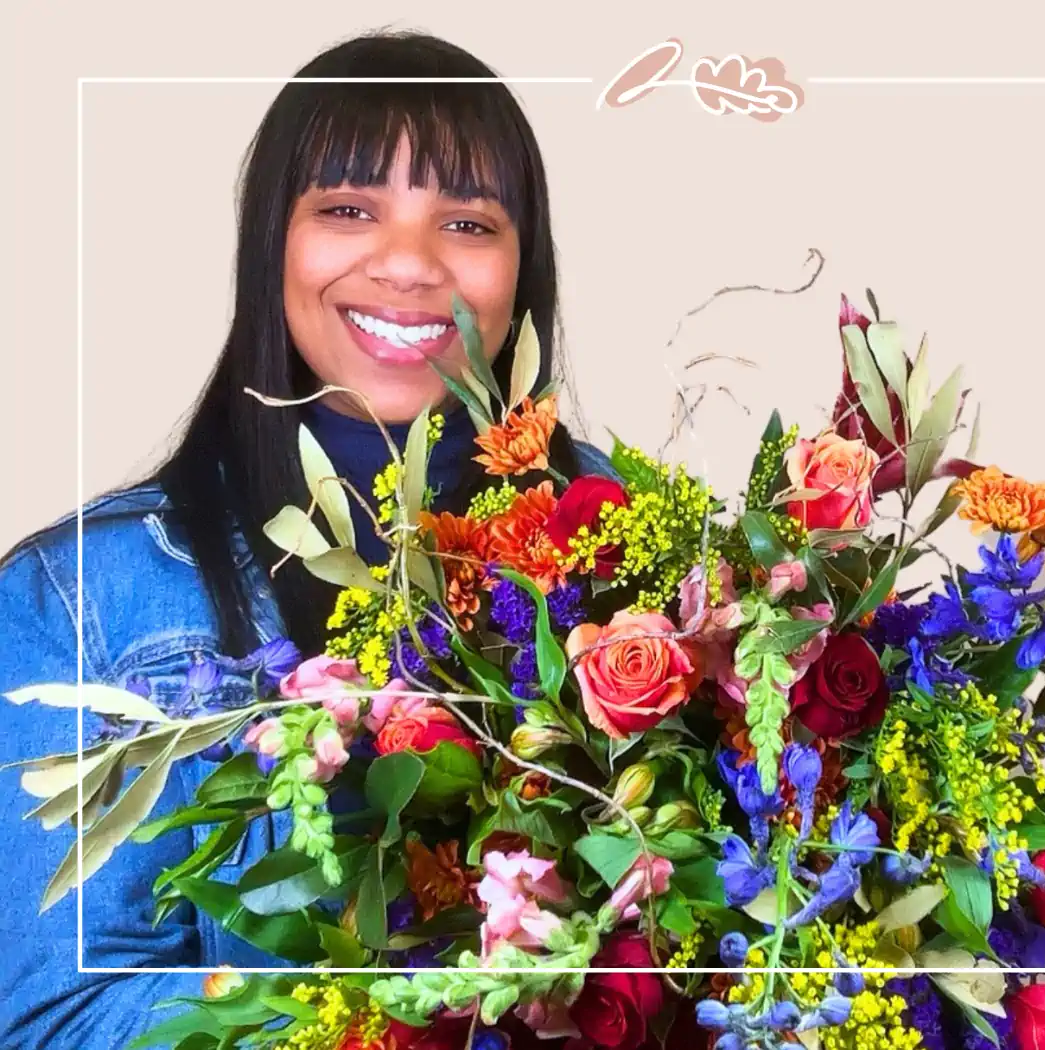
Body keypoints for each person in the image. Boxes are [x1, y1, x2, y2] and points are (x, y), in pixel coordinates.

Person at [0, 29, 614, 1049]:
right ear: (270, 247)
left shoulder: (648, 560)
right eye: (346, 210)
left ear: (521, 270)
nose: (410, 264)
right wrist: (390, 1011)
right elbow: (52, 1016)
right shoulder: (80, 600)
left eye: (466, 220)